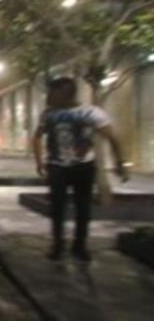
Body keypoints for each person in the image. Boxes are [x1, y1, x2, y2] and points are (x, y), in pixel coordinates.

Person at [32, 77, 129, 262]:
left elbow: (112, 137)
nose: (48, 97)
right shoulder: (48, 114)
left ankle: (80, 246)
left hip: (83, 166)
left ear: (66, 94)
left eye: (53, 93)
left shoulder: (92, 113)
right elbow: (37, 136)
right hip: (57, 166)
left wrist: (120, 163)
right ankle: (58, 246)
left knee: (82, 207)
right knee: (57, 207)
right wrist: (39, 161)